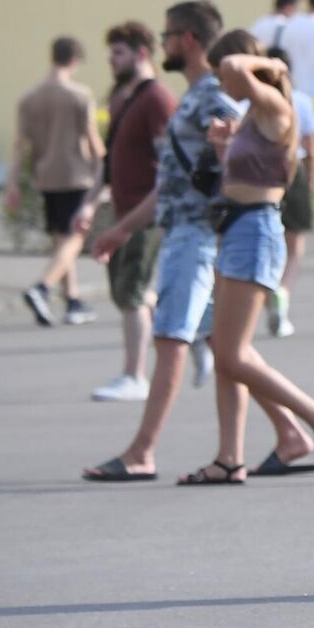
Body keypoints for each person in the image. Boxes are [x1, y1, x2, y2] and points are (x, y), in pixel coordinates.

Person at [83, 3, 314, 482]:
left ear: (187, 39)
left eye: (167, 35)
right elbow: (175, 181)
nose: (163, 43)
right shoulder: (198, 94)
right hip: (199, 230)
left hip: (199, 234)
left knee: (172, 335)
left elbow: (253, 148)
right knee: (224, 346)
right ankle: (288, 432)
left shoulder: (215, 92)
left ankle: (141, 452)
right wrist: (123, 227)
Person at [177, 41, 314, 486]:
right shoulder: (254, 117)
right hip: (237, 229)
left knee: (231, 353)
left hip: (256, 233)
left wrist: (268, 64)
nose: (224, 80)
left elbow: (237, 65)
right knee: (225, 346)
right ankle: (229, 457)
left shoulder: (274, 105)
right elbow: (242, 178)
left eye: (225, 74)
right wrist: (222, 148)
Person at [82, 22, 177, 401]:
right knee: (127, 293)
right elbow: (107, 163)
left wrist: (152, 207)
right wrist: (89, 204)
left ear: (141, 53)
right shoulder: (122, 97)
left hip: (146, 212)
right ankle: (198, 333)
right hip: (122, 211)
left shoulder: (156, 99)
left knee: (133, 292)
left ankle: (134, 376)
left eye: (118, 53)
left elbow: (169, 163)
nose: (111, 61)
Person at [10, 37, 104, 327]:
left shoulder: (30, 97)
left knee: (62, 241)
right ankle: (42, 288)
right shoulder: (79, 94)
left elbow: (20, 144)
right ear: (75, 60)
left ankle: (73, 301)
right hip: (76, 174)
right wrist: (107, 166)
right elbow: (92, 138)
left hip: (46, 176)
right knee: (74, 240)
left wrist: (13, 182)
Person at [267, 45, 314, 338]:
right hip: (293, 169)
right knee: (295, 241)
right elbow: (311, 148)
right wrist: (310, 182)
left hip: (261, 173)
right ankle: (283, 292)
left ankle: (270, 290)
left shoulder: (252, 102)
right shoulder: (300, 101)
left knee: (267, 238)